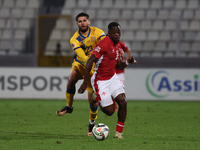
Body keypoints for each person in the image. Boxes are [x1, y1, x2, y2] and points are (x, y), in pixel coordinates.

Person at [78, 22, 137, 139]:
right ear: (109, 33)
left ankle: (118, 133)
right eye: (114, 32)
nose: (117, 35)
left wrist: (127, 62)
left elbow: (118, 65)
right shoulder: (103, 44)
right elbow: (90, 61)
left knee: (123, 102)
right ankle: (96, 97)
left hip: (112, 77)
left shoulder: (118, 45)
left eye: (118, 32)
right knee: (110, 111)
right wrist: (85, 82)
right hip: (101, 80)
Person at [56, 12, 106, 136]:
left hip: (95, 65)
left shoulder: (98, 32)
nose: (82, 23)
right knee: (72, 77)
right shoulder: (74, 39)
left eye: (84, 20)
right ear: (77, 23)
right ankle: (69, 106)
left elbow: (105, 44)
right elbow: (83, 57)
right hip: (82, 63)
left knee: (92, 100)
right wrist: (92, 66)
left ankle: (91, 123)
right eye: (80, 21)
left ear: (88, 22)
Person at [113, 41, 131, 111]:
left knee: (120, 89)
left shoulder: (120, 43)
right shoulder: (107, 45)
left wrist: (126, 61)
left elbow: (128, 50)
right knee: (111, 89)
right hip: (111, 72)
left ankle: (121, 106)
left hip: (120, 72)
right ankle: (115, 107)